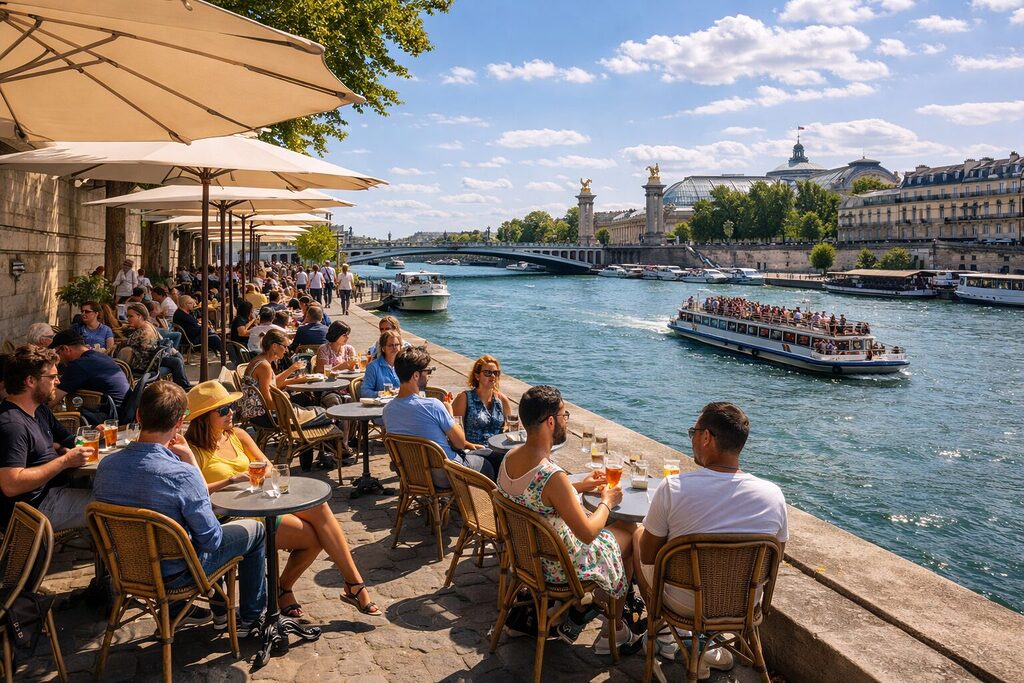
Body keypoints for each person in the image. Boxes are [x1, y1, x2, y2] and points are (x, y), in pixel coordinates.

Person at [183, 381, 378, 617]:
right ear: (204, 417)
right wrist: (231, 480)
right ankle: (286, 589)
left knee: (319, 507)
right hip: (230, 517)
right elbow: (196, 493)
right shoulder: (192, 451)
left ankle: (353, 583)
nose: (231, 412)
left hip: (260, 503)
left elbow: (269, 466)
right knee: (313, 538)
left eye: (232, 407)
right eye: (223, 410)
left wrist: (258, 473)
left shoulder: (237, 435)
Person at [93, 382, 268, 632]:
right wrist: (191, 464)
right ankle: (250, 618)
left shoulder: (106, 467)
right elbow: (211, 540)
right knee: (255, 531)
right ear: (178, 425)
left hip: (125, 569)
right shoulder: (181, 475)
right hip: (178, 574)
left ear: (139, 416)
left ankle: (198, 611)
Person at [634, 402, 788, 668]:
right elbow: (777, 559)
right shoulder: (773, 495)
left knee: (637, 535)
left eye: (694, 431)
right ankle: (704, 643)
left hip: (684, 604)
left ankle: (665, 630)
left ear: (706, 437)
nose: (692, 437)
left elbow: (648, 555)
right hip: (744, 604)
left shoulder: (674, 488)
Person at [497, 385, 639, 652]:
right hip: (560, 567)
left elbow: (534, 496)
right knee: (629, 530)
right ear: (550, 421)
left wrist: (579, 488)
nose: (565, 421)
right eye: (564, 416)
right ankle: (612, 628)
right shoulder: (552, 476)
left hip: (527, 559)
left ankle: (584, 610)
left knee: (612, 526)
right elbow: (587, 533)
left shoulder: (509, 458)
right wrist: (607, 502)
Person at [0, 345, 95, 531]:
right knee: (111, 505)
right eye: (52, 377)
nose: (58, 381)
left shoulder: (40, 410)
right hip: (32, 510)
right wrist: (64, 460)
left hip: (58, 489)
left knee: (111, 488)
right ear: (30, 381)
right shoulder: (12, 424)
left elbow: (69, 440)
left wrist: (90, 438)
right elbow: (10, 484)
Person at [382, 347, 500, 484]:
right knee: (490, 464)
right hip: (445, 473)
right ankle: (477, 504)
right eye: (428, 371)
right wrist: (449, 411)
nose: (429, 376)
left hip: (412, 474)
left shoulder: (387, 410)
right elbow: (460, 443)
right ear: (415, 375)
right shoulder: (432, 405)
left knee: (486, 454)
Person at [238, 330, 335, 470]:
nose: (287, 349)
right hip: (264, 415)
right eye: (285, 346)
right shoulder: (264, 366)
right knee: (326, 414)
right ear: (274, 346)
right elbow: (269, 402)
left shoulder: (260, 361)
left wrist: (294, 376)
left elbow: (273, 383)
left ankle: (316, 456)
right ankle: (324, 454)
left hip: (255, 413)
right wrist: (290, 407)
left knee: (306, 400)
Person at [51, 330, 130, 420]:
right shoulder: (99, 356)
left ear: (66, 349)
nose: (59, 358)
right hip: (125, 409)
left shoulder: (79, 365)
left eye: (58, 353)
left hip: (110, 416)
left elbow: (53, 399)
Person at [120, 303, 191, 389]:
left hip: (145, 363)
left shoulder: (143, 332)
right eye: (128, 316)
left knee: (177, 360)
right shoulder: (147, 325)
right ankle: (184, 386)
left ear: (140, 316)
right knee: (177, 360)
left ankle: (183, 386)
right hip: (149, 360)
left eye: (131, 316)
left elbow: (128, 345)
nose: (128, 319)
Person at [452, 355, 511, 446]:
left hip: (498, 450)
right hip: (473, 451)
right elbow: (455, 432)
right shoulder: (464, 398)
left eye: (496, 373)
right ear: (477, 376)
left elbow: (510, 425)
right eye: (488, 372)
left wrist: (507, 429)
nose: (492, 376)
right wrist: (469, 445)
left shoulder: (502, 400)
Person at [359, 330, 401, 399]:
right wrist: (382, 394)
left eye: (396, 345)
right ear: (383, 348)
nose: (394, 348)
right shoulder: (373, 367)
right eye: (390, 345)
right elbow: (364, 392)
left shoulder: (405, 364)